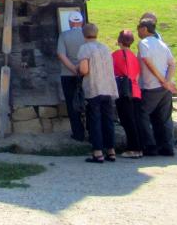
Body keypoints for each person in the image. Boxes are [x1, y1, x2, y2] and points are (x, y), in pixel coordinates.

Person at [77, 22, 118, 163]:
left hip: (94, 88)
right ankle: (111, 151)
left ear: (84, 34)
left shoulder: (85, 48)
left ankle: (98, 152)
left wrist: (77, 69)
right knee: (108, 120)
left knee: (95, 120)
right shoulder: (105, 47)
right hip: (108, 87)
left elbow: (84, 70)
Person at [137, 17, 177, 157]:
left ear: (144, 29)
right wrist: (167, 81)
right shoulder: (162, 44)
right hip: (165, 88)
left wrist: (162, 80)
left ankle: (150, 145)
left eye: (139, 29)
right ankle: (167, 146)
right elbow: (172, 63)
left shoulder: (144, 43)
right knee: (164, 117)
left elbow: (147, 62)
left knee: (142, 114)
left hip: (151, 86)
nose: (138, 32)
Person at [57, 11, 88, 141]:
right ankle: (92, 131)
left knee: (71, 104)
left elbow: (61, 54)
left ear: (70, 22)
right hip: (86, 73)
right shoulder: (87, 35)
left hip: (68, 74)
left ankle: (78, 133)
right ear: (81, 22)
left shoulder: (64, 35)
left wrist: (73, 68)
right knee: (88, 102)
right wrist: (80, 68)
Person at [112, 29, 143, 158]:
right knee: (135, 121)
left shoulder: (116, 55)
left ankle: (133, 148)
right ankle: (139, 148)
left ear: (119, 41)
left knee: (127, 121)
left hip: (124, 91)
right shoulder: (134, 56)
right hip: (136, 91)